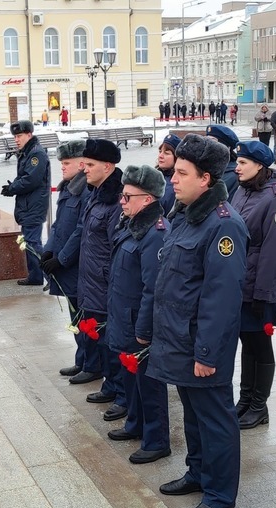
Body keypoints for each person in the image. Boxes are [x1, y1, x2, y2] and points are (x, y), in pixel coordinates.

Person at [147, 134, 249, 508]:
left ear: (206, 178)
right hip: (179, 340)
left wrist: (206, 354)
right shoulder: (184, 214)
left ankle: (221, 495)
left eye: (183, 173)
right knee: (193, 415)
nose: (173, 179)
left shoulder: (223, 227)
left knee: (215, 419)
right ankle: (198, 472)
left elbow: (220, 301)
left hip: (203, 347)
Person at [105, 165, 172, 464]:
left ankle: (157, 440)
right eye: (122, 194)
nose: (122, 200)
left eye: (128, 196)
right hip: (124, 317)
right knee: (131, 378)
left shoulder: (155, 233)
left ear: (147, 199)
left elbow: (153, 287)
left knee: (149, 383)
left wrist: (144, 330)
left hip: (138, 323)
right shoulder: (131, 224)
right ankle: (135, 424)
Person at [231, 141, 276, 429]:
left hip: (256, 287)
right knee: (247, 343)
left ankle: (259, 405)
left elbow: (272, 251)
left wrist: (263, 294)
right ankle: (244, 400)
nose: (237, 167)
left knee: (260, 344)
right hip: (238, 282)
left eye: (242, 162)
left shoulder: (273, 198)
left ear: (259, 166)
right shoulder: (242, 189)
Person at [71, 139, 128, 422]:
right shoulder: (96, 192)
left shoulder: (117, 198)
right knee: (102, 339)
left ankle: (122, 394)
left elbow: (116, 246)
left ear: (107, 166)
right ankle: (110, 384)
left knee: (113, 342)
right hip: (92, 281)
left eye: (91, 165)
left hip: (106, 282)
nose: (85, 169)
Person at [41, 140, 91, 377]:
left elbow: (80, 231)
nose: (62, 166)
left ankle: (91, 364)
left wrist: (61, 259)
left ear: (81, 164)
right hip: (65, 263)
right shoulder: (68, 188)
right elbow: (59, 225)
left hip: (76, 264)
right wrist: (48, 251)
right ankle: (82, 360)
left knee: (83, 315)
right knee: (75, 315)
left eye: (66, 162)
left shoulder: (85, 191)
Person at [3, 120, 50, 286]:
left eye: (19, 136)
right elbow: (25, 176)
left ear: (29, 135)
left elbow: (31, 179)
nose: (16, 139)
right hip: (29, 204)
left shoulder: (36, 154)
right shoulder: (27, 152)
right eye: (15, 136)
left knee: (33, 243)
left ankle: (52, 278)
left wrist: (13, 188)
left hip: (34, 205)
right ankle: (36, 276)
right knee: (30, 242)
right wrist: (12, 186)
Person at [205, 124, 240, 202]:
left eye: (213, 142)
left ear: (227, 147)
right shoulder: (203, 167)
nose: (208, 146)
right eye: (206, 141)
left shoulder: (236, 174)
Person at [156, 133, 180, 215]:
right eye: (160, 152)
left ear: (176, 157)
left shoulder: (176, 183)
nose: (160, 156)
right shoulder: (154, 176)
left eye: (166, 153)